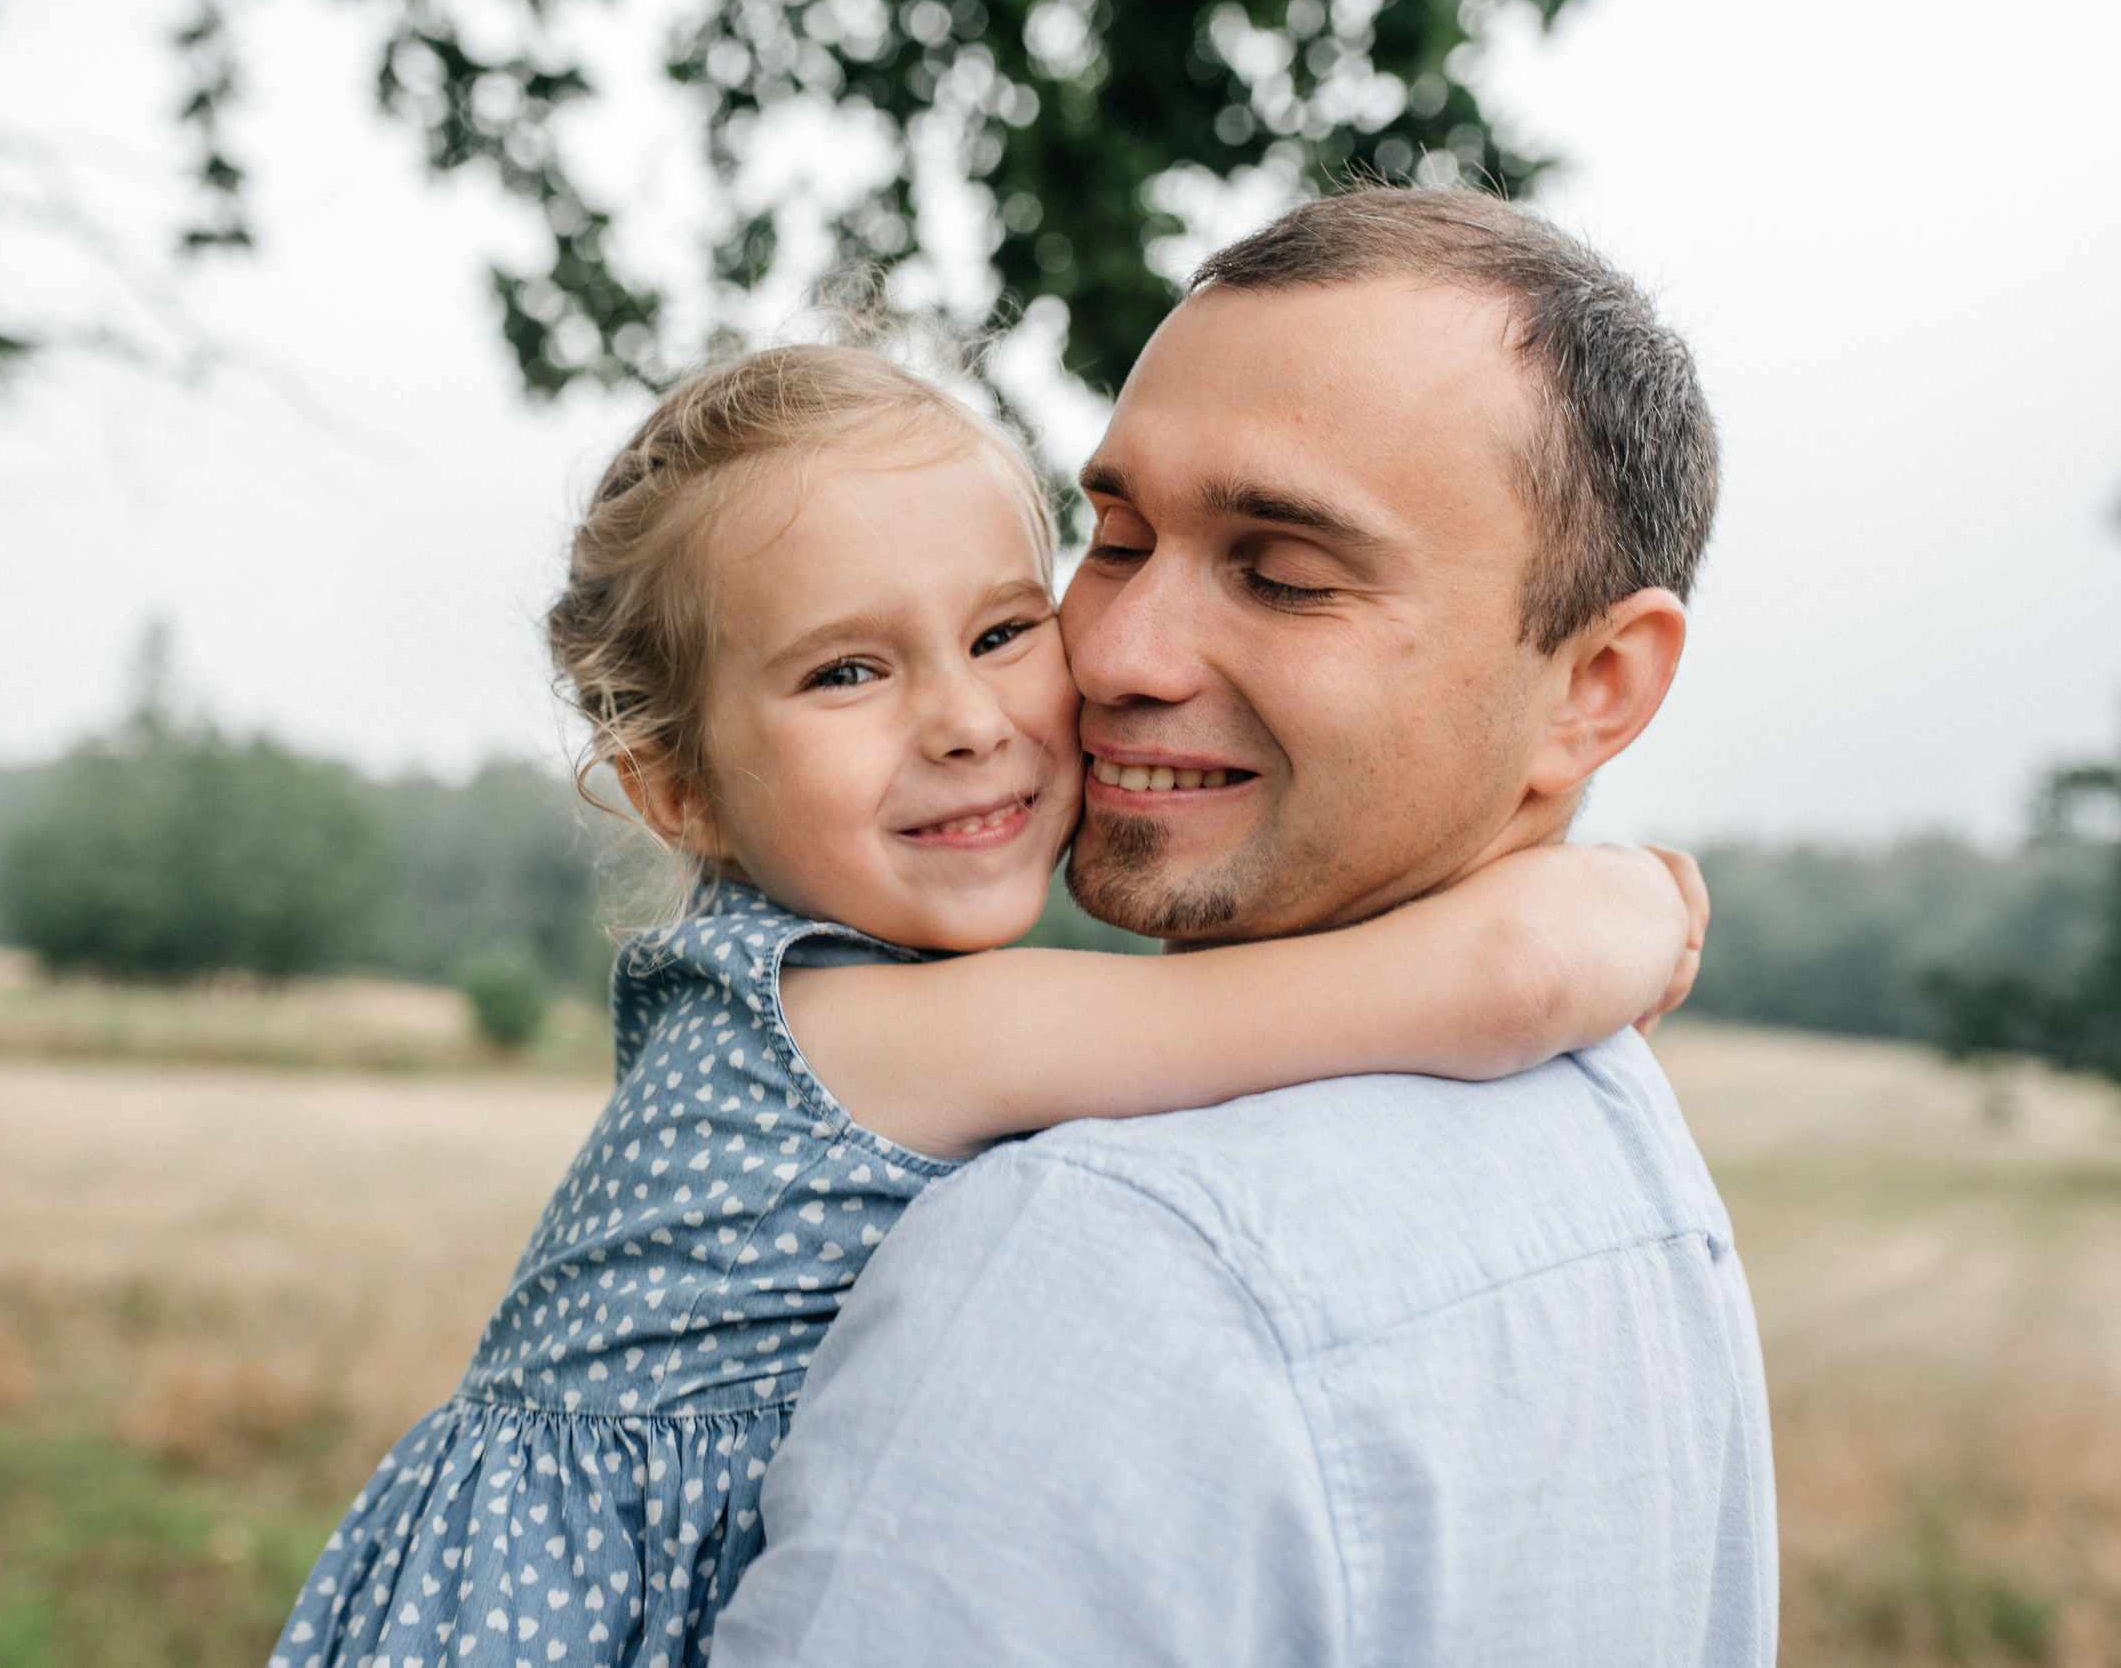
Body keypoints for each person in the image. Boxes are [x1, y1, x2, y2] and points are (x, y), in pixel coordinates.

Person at [267, 339, 1709, 1668]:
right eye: (847, 670)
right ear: (678, 786)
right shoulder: (867, 1032)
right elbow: (1490, 983)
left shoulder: (815, 992)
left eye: (1007, 630)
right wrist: (1629, 898)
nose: (966, 719)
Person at [710, 189, 1778, 1664]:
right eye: (1118, 535)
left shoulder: (1104, 1261)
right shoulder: (1627, 1153)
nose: (1114, 651)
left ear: (1597, 685)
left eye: (1282, 574)